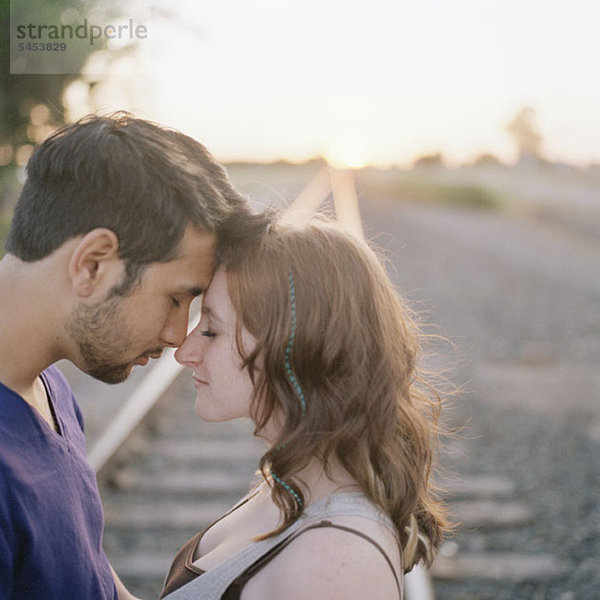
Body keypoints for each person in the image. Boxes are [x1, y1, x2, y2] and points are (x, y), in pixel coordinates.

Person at [0, 113, 259, 600]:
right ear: (93, 263)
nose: (177, 337)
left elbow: (82, 572)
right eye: (176, 298)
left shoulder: (44, 382)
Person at [161, 218, 448, 600]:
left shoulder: (335, 565)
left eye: (211, 330)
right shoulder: (288, 481)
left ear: (294, 350)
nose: (185, 352)